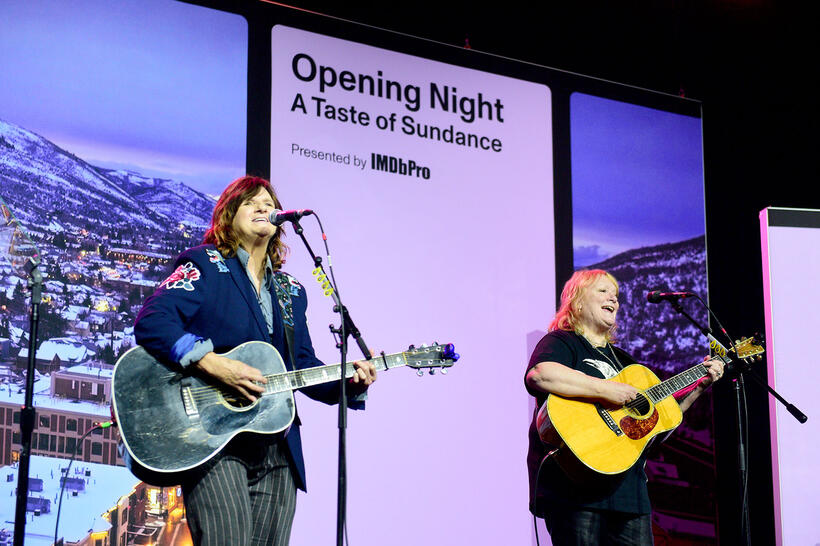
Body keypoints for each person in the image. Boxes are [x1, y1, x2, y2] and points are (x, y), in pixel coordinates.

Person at [134, 175, 377, 545]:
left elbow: (301, 366)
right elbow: (152, 321)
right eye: (251, 202)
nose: (263, 207)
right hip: (215, 440)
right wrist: (212, 363)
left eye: (268, 202)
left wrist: (350, 383)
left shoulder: (290, 290)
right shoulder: (204, 265)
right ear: (228, 215)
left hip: (278, 448)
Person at [524, 269, 723, 545]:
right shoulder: (561, 342)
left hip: (629, 496)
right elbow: (541, 374)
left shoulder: (626, 364)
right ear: (578, 301)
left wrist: (700, 385)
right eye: (603, 291)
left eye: (616, 295)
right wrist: (609, 390)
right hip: (574, 487)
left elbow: (662, 421)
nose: (614, 300)